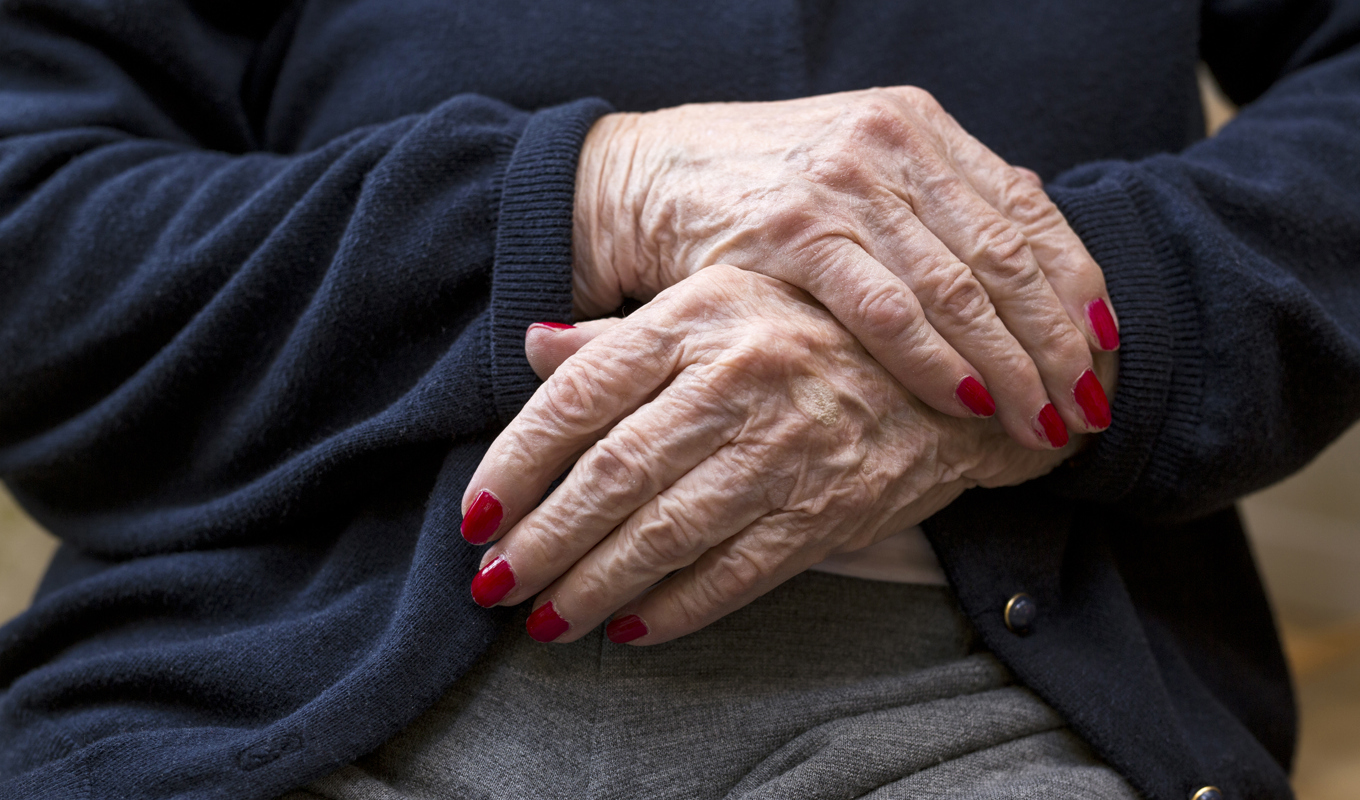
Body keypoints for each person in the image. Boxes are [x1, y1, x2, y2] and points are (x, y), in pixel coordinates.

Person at [0, 2, 1357, 800]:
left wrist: (1054, 314)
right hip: (251, 703)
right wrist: (599, 191)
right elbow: (36, 231)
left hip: (989, 708)